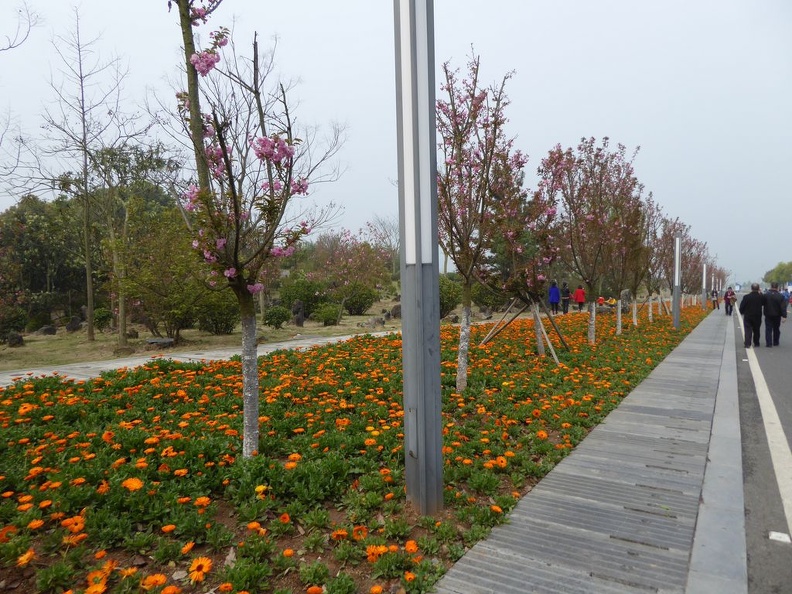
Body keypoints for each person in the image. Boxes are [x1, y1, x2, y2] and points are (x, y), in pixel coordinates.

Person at [739, 283, 765, 348]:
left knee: (748, 329)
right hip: (757, 316)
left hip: (748, 315)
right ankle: (756, 343)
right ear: (759, 289)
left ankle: (747, 343)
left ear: (751, 288)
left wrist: (741, 312)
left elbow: (742, 306)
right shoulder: (761, 297)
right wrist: (760, 293)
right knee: (756, 330)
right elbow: (764, 303)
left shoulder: (746, 297)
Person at [764, 281, 788, 347]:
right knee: (776, 329)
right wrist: (784, 316)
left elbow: (762, 303)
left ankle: (769, 343)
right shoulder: (781, 296)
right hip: (777, 315)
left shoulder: (766, 295)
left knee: (768, 329)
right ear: (777, 287)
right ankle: (776, 341)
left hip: (768, 314)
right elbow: (783, 307)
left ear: (771, 286)